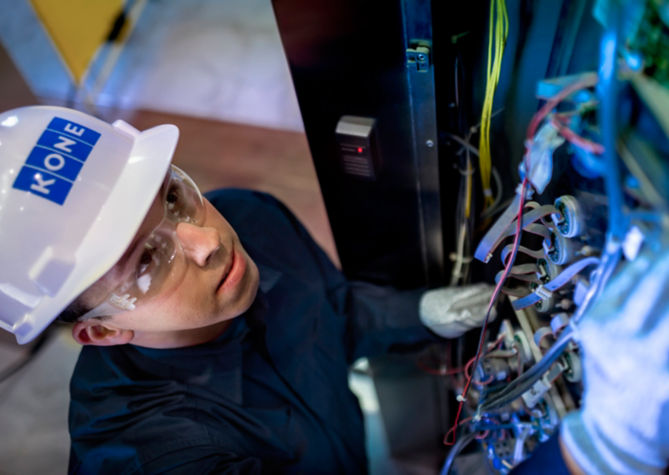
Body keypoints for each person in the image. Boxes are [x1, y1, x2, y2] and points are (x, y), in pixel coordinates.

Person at [0, 105, 490, 473]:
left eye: (174, 198)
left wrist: (420, 311)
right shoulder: (157, 455)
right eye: (148, 259)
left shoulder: (250, 217)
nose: (209, 240)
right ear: (101, 332)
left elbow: (330, 310)